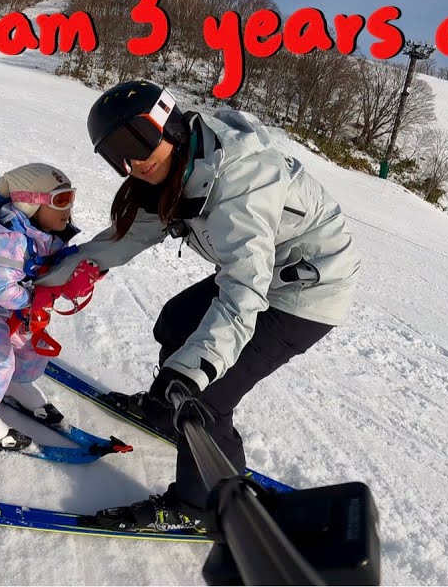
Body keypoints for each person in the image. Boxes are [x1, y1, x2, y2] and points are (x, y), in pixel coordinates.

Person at [37, 80, 362, 533]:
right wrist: (42, 280)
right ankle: (168, 415)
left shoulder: (240, 182)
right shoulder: (175, 169)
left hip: (307, 291)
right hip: (265, 272)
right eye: (116, 155)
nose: (133, 162)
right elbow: (122, 240)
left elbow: (243, 293)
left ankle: (202, 506)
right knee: (178, 322)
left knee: (208, 394)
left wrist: (190, 376)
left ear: (168, 125)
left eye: (137, 141)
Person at [0, 163, 101, 449]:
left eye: (71, 197)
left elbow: (49, 272)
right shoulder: (9, 239)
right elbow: (1, 288)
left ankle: (12, 384)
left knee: (31, 350)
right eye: (61, 200)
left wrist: (76, 276)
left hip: (15, 310)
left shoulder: (46, 235)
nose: (69, 208)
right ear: (32, 204)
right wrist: (35, 299)